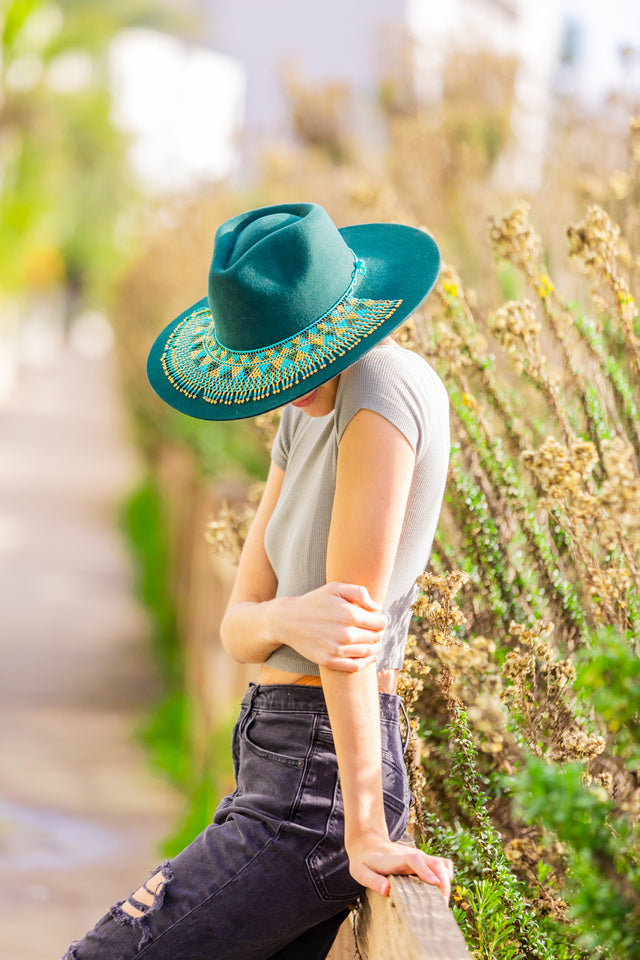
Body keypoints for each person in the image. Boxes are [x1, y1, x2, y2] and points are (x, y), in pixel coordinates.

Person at [62, 201, 452, 960]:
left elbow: (348, 639)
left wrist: (365, 828)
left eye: (296, 352)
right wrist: (287, 618)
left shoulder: (382, 391)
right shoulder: (305, 410)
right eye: (273, 359)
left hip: (321, 781)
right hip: (273, 761)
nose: (286, 381)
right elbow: (238, 626)